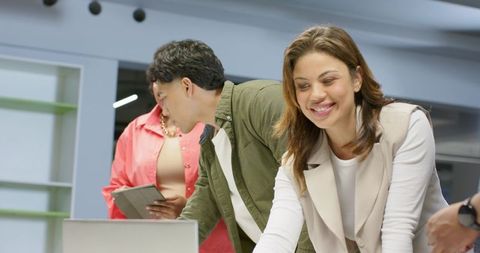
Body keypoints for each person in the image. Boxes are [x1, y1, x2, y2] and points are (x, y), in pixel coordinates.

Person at [253, 25, 448, 253]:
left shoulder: (405, 126)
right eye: (303, 86)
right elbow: (277, 239)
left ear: (357, 79)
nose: (316, 95)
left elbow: (398, 232)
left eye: (328, 80)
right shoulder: (296, 162)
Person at [145, 39, 314, 253]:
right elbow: (201, 209)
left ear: (186, 86)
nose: (164, 111)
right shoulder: (209, 141)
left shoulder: (261, 101)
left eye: (163, 98)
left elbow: (310, 187)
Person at [102, 83, 234, 253]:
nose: (163, 98)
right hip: (151, 242)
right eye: (159, 91)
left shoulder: (212, 126)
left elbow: (235, 189)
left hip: (210, 243)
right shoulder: (135, 130)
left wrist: (191, 210)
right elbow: (115, 188)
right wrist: (135, 203)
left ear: (186, 86)